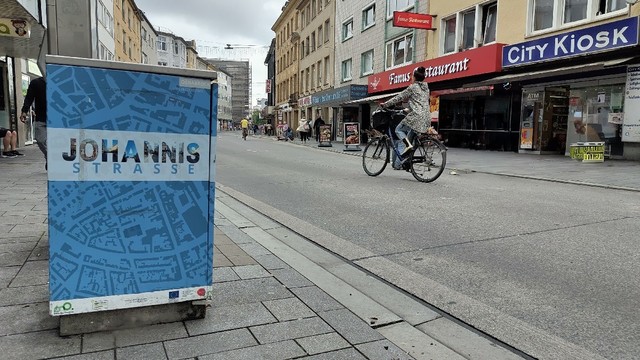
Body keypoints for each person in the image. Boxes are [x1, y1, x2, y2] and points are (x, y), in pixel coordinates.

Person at [382, 66, 431, 157]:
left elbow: (399, 97)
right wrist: (408, 109)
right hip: (427, 116)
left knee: (399, 130)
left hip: (417, 116)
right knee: (409, 138)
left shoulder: (412, 87)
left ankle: (408, 147)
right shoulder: (426, 89)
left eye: (412, 76)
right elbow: (420, 103)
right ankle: (408, 160)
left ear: (414, 77)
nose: (411, 78)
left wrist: (385, 104)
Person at [20, 77, 47, 168]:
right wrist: (24, 111)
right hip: (41, 118)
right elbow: (29, 97)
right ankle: (49, 156)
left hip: (59, 119)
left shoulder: (59, 81)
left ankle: (54, 159)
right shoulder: (36, 83)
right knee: (40, 139)